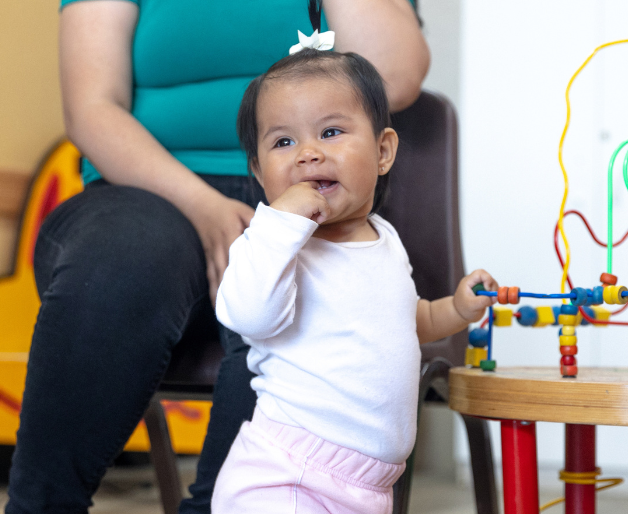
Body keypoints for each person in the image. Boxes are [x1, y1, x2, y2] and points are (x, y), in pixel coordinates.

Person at [5, 1, 429, 513]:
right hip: (141, 190)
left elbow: (396, 76)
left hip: (311, 198)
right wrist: (205, 207)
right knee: (123, 266)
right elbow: (91, 107)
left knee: (308, 312)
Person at [210, 46, 498, 514]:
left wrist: (458, 309)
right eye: (283, 142)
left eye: (330, 132)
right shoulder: (276, 247)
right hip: (287, 474)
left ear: (383, 151)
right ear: (260, 173)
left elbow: (410, 321)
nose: (307, 153)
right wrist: (281, 224)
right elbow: (248, 316)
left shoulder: (384, 240)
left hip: (367, 487)